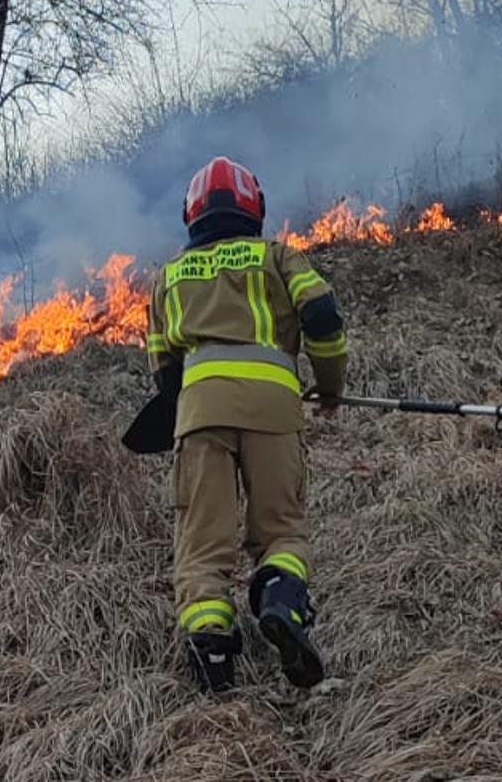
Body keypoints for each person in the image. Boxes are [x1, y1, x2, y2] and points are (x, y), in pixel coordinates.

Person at [145, 156, 348, 692]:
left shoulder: (168, 277)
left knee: (202, 541)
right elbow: (323, 317)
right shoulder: (276, 256)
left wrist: (180, 414)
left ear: (191, 213)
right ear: (253, 206)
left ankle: (212, 651)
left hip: (200, 414)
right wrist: (330, 386)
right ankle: (279, 600)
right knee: (281, 528)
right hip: (273, 409)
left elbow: (164, 369)